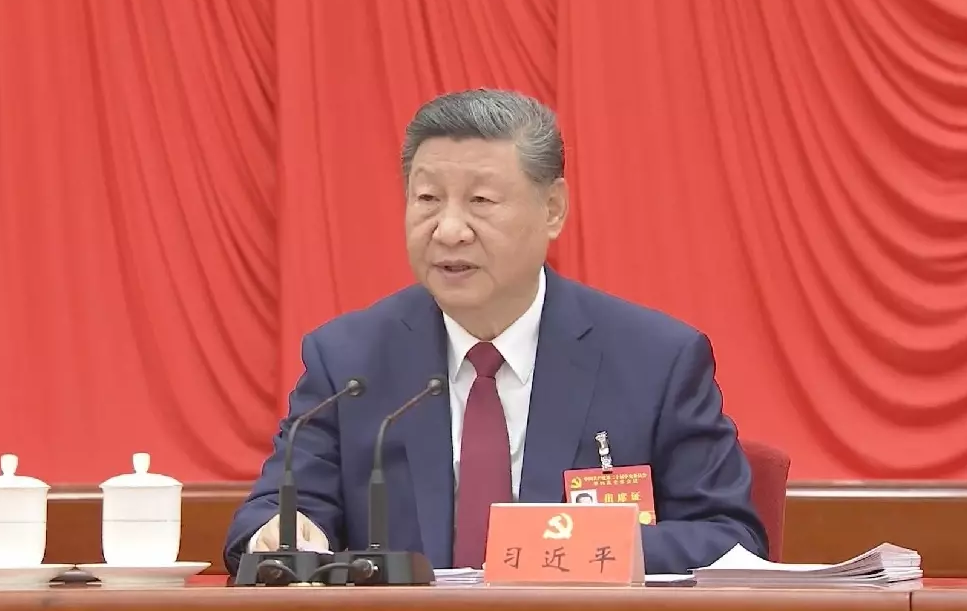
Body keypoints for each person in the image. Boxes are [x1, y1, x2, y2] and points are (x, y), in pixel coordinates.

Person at [224, 88, 767, 575]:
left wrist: (574, 551)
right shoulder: (349, 362)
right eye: (427, 199)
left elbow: (728, 537)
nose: (449, 230)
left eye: (481, 202)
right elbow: (275, 510)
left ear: (552, 209)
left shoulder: (655, 361)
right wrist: (284, 534)